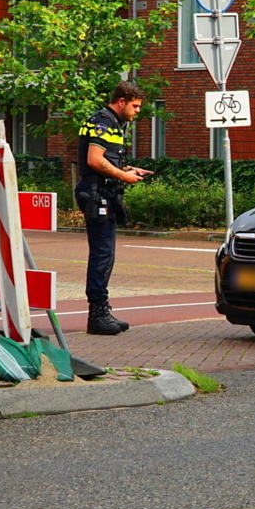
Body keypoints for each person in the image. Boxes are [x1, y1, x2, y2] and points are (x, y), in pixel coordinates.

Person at [75, 81, 153, 335]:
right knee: (102, 255)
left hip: (101, 192)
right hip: (97, 195)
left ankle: (102, 310)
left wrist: (127, 170)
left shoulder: (111, 122)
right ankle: (97, 315)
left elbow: (104, 160)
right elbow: (94, 160)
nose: (138, 111)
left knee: (105, 255)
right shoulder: (103, 122)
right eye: (136, 106)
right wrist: (123, 176)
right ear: (122, 101)